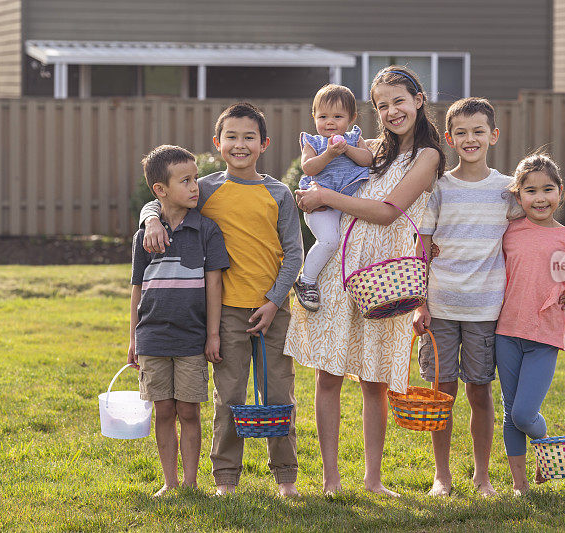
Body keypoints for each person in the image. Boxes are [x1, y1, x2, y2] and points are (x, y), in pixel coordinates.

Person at [286, 65, 445, 496]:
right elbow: (321, 166)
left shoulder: (426, 156)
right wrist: (316, 186)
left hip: (385, 277)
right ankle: (331, 479)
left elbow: (389, 211)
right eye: (383, 105)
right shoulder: (371, 149)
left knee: (375, 379)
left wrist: (325, 197)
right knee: (329, 375)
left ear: (418, 100)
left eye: (399, 101)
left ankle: (373, 479)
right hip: (341, 270)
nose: (392, 111)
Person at [139, 104, 304, 498]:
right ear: (218, 143)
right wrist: (150, 219)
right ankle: (226, 480)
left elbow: (294, 253)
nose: (240, 144)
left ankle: (286, 478)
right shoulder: (206, 188)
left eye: (249, 137)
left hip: (273, 311)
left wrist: (274, 300)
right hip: (226, 313)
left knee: (279, 395)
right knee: (229, 397)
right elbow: (161, 200)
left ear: (263, 144)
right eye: (231, 137)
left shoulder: (278, 193)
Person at [412, 97, 520, 497]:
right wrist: (419, 303)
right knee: (443, 395)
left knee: (479, 390)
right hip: (440, 306)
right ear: (449, 139)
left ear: (493, 135)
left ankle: (482, 475)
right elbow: (421, 248)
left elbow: (529, 238)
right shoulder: (439, 188)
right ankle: (442, 475)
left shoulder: (507, 191)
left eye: (479, 131)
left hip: (485, 309)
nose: (470, 139)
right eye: (462, 132)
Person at [494, 152, 565, 496]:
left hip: (545, 336)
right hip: (506, 334)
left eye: (548, 190)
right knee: (511, 413)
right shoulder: (508, 233)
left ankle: (547, 444)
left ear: (560, 192)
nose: (540, 198)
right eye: (531, 191)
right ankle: (520, 485)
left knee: (525, 413)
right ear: (518, 194)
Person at [128, 145, 230, 498]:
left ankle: (190, 481)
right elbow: (137, 290)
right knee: (164, 410)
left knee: (188, 409)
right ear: (160, 190)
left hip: (191, 337)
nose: (194, 187)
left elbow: (215, 285)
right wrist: (133, 339)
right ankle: (169, 481)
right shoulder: (144, 236)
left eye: (195, 178)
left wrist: (213, 335)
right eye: (185, 181)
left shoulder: (206, 230)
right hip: (153, 337)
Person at [293, 84, 374, 312]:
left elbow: (367, 160)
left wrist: (346, 148)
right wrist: (328, 154)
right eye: (323, 116)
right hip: (322, 206)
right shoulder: (313, 142)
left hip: (349, 205)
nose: (330, 122)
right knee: (329, 241)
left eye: (338, 116)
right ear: (314, 117)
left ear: (351, 118)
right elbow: (309, 168)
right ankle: (306, 280)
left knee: (346, 250)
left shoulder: (354, 137)